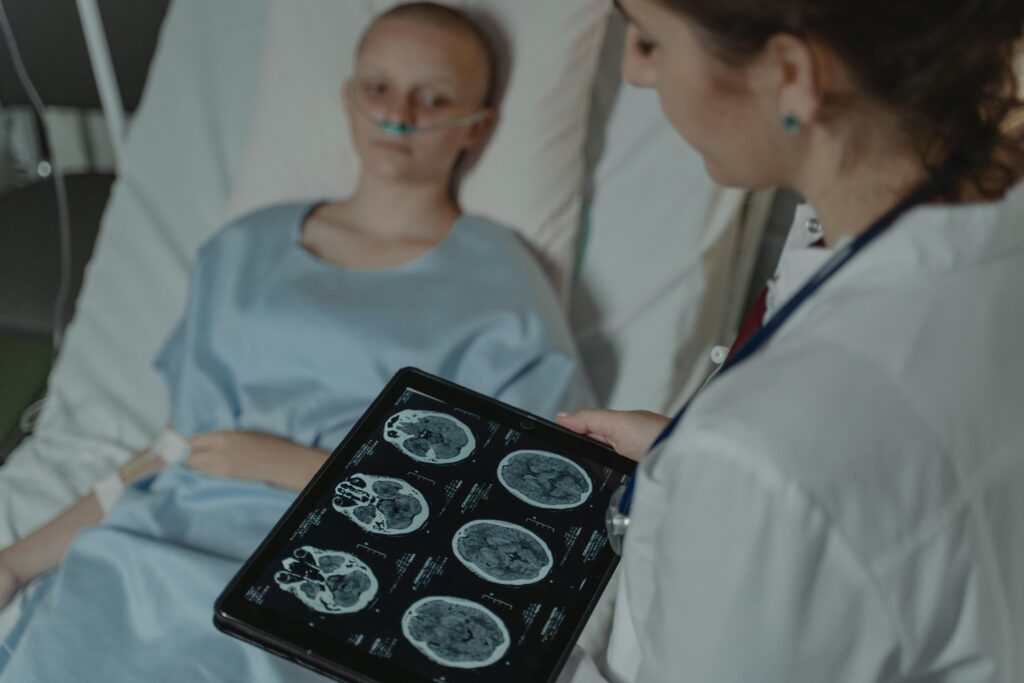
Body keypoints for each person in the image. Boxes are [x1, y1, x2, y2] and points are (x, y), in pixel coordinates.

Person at [0, 4, 590, 680]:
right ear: (348, 99)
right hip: (158, 540)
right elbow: (174, 448)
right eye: (378, 88)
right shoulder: (243, 248)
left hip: (342, 575)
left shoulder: (502, 289)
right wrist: (16, 560)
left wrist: (286, 464)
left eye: (434, 98)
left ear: (477, 125)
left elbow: (503, 510)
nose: (399, 112)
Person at [555, 0, 1024, 681]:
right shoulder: (972, 235)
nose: (633, 73)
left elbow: (807, 463)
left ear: (790, 74)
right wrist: (684, 465)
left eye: (651, 41)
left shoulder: (760, 450)